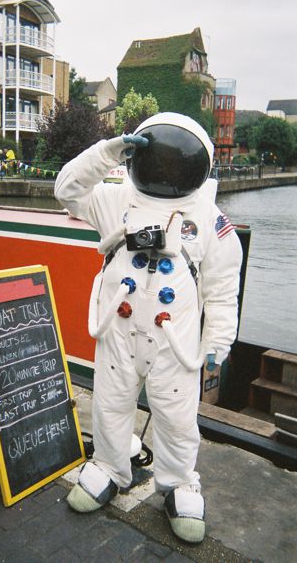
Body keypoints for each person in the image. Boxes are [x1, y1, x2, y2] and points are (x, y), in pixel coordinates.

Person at [54, 112, 242, 544]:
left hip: (174, 342)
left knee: (176, 418)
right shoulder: (116, 200)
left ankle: (178, 484)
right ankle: (108, 465)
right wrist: (105, 153)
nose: (166, 170)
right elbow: (66, 189)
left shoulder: (211, 222)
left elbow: (221, 289)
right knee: (110, 404)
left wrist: (217, 339)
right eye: (159, 160)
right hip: (118, 330)